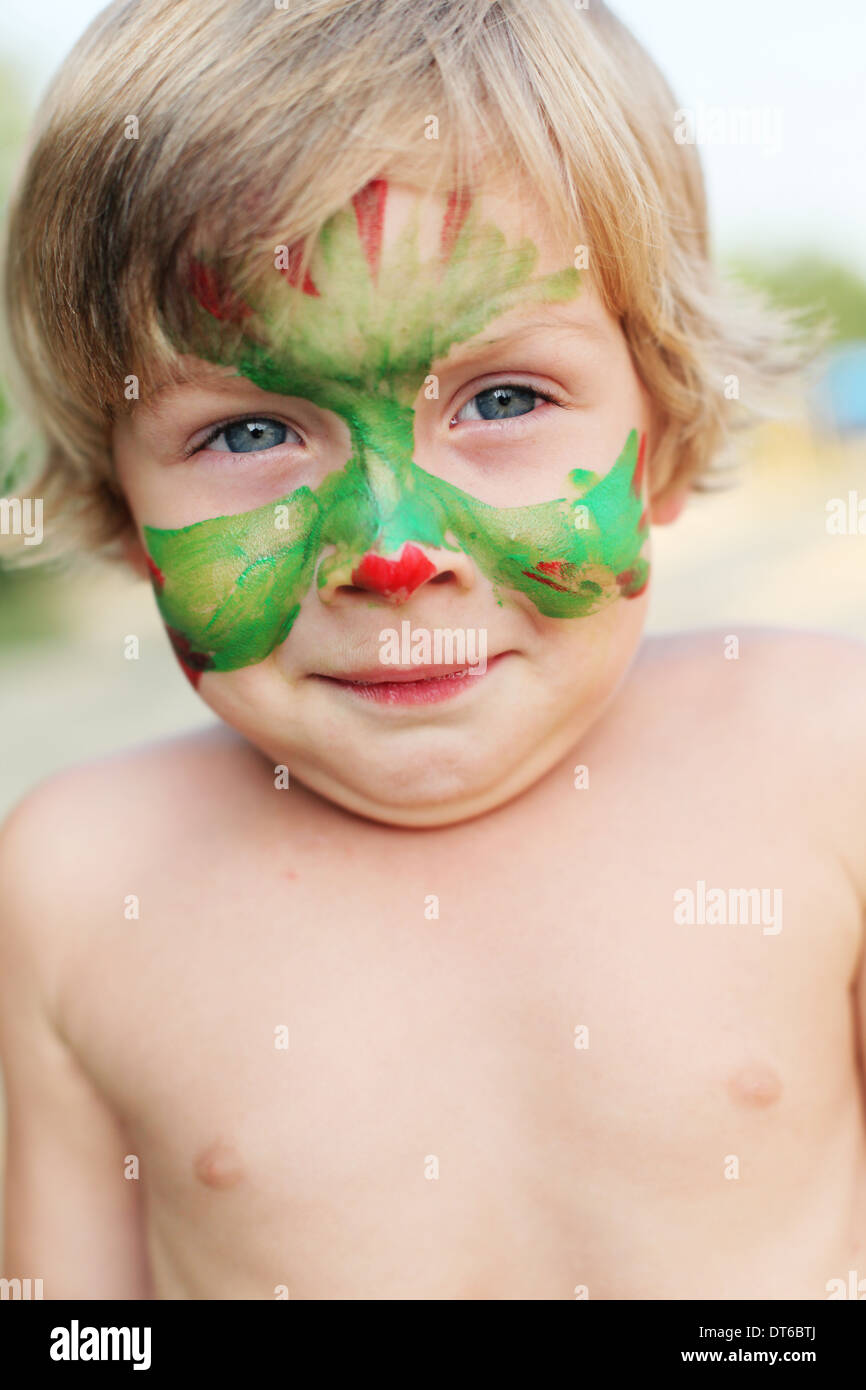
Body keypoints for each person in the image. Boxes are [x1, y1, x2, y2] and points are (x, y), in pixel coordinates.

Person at [1, 0, 864, 1300]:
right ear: (123, 506)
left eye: (502, 400)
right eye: (249, 433)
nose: (393, 553)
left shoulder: (821, 758)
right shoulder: (73, 884)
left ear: (671, 429)